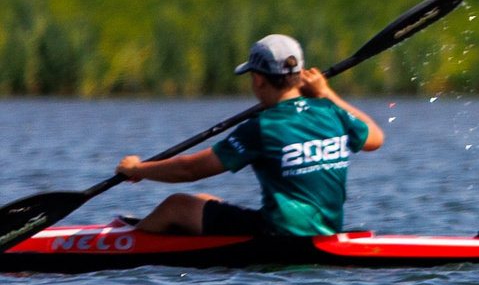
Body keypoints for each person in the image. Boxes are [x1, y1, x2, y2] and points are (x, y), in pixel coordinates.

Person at [112, 35, 383, 241]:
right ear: (299, 76)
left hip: (277, 235)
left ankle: (125, 249)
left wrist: (138, 169)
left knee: (177, 205)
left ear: (259, 80)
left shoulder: (262, 127)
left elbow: (190, 169)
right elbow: (375, 137)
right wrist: (327, 93)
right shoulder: (330, 111)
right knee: (205, 200)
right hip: (325, 231)